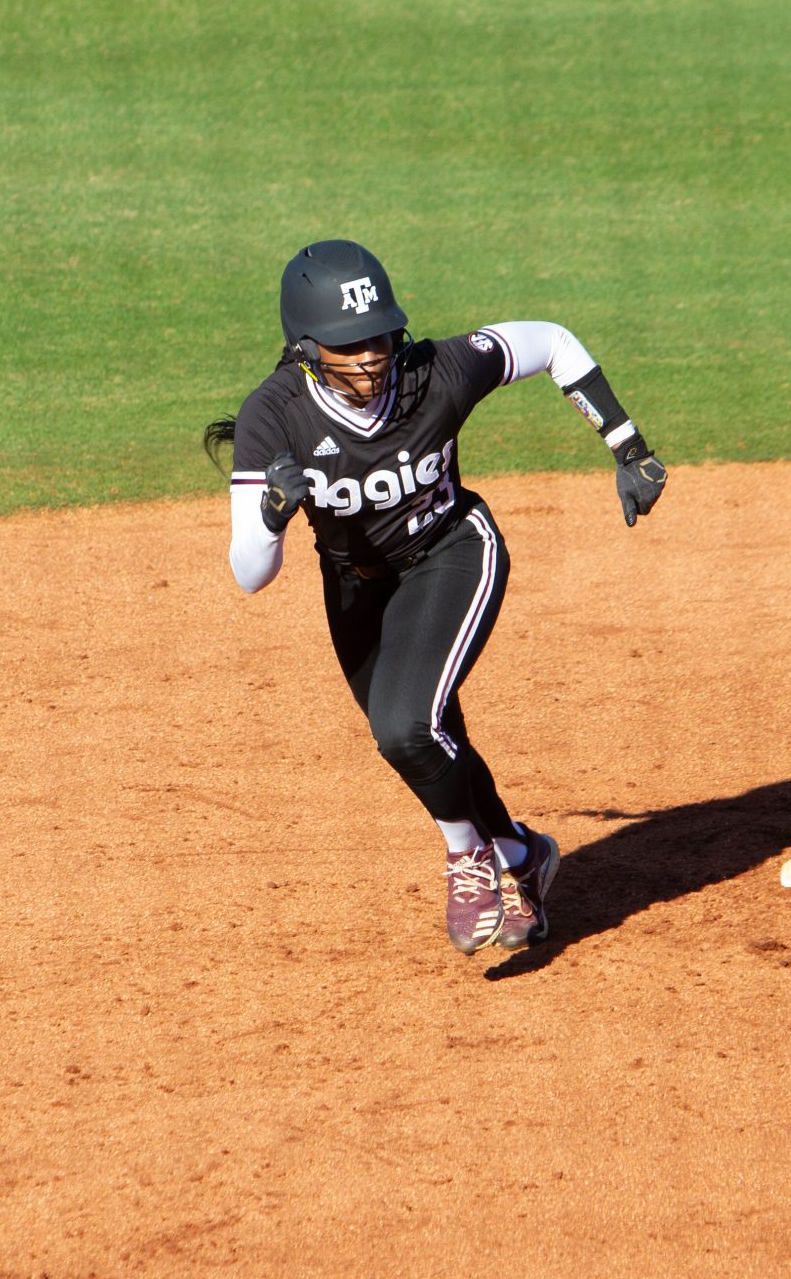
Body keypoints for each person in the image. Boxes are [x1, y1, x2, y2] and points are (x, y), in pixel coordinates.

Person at [204, 240, 668, 955]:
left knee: (403, 727)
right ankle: (522, 855)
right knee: (425, 738)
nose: (370, 356)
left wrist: (627, 442)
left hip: (453, 551)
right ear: (304, 347)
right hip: (356, 588)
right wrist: (270, 511)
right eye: (347, 344)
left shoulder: (437, 373)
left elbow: (550, 343)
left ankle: (467, 857)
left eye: (380, 336)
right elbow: (249, 573)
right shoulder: (273, 415)